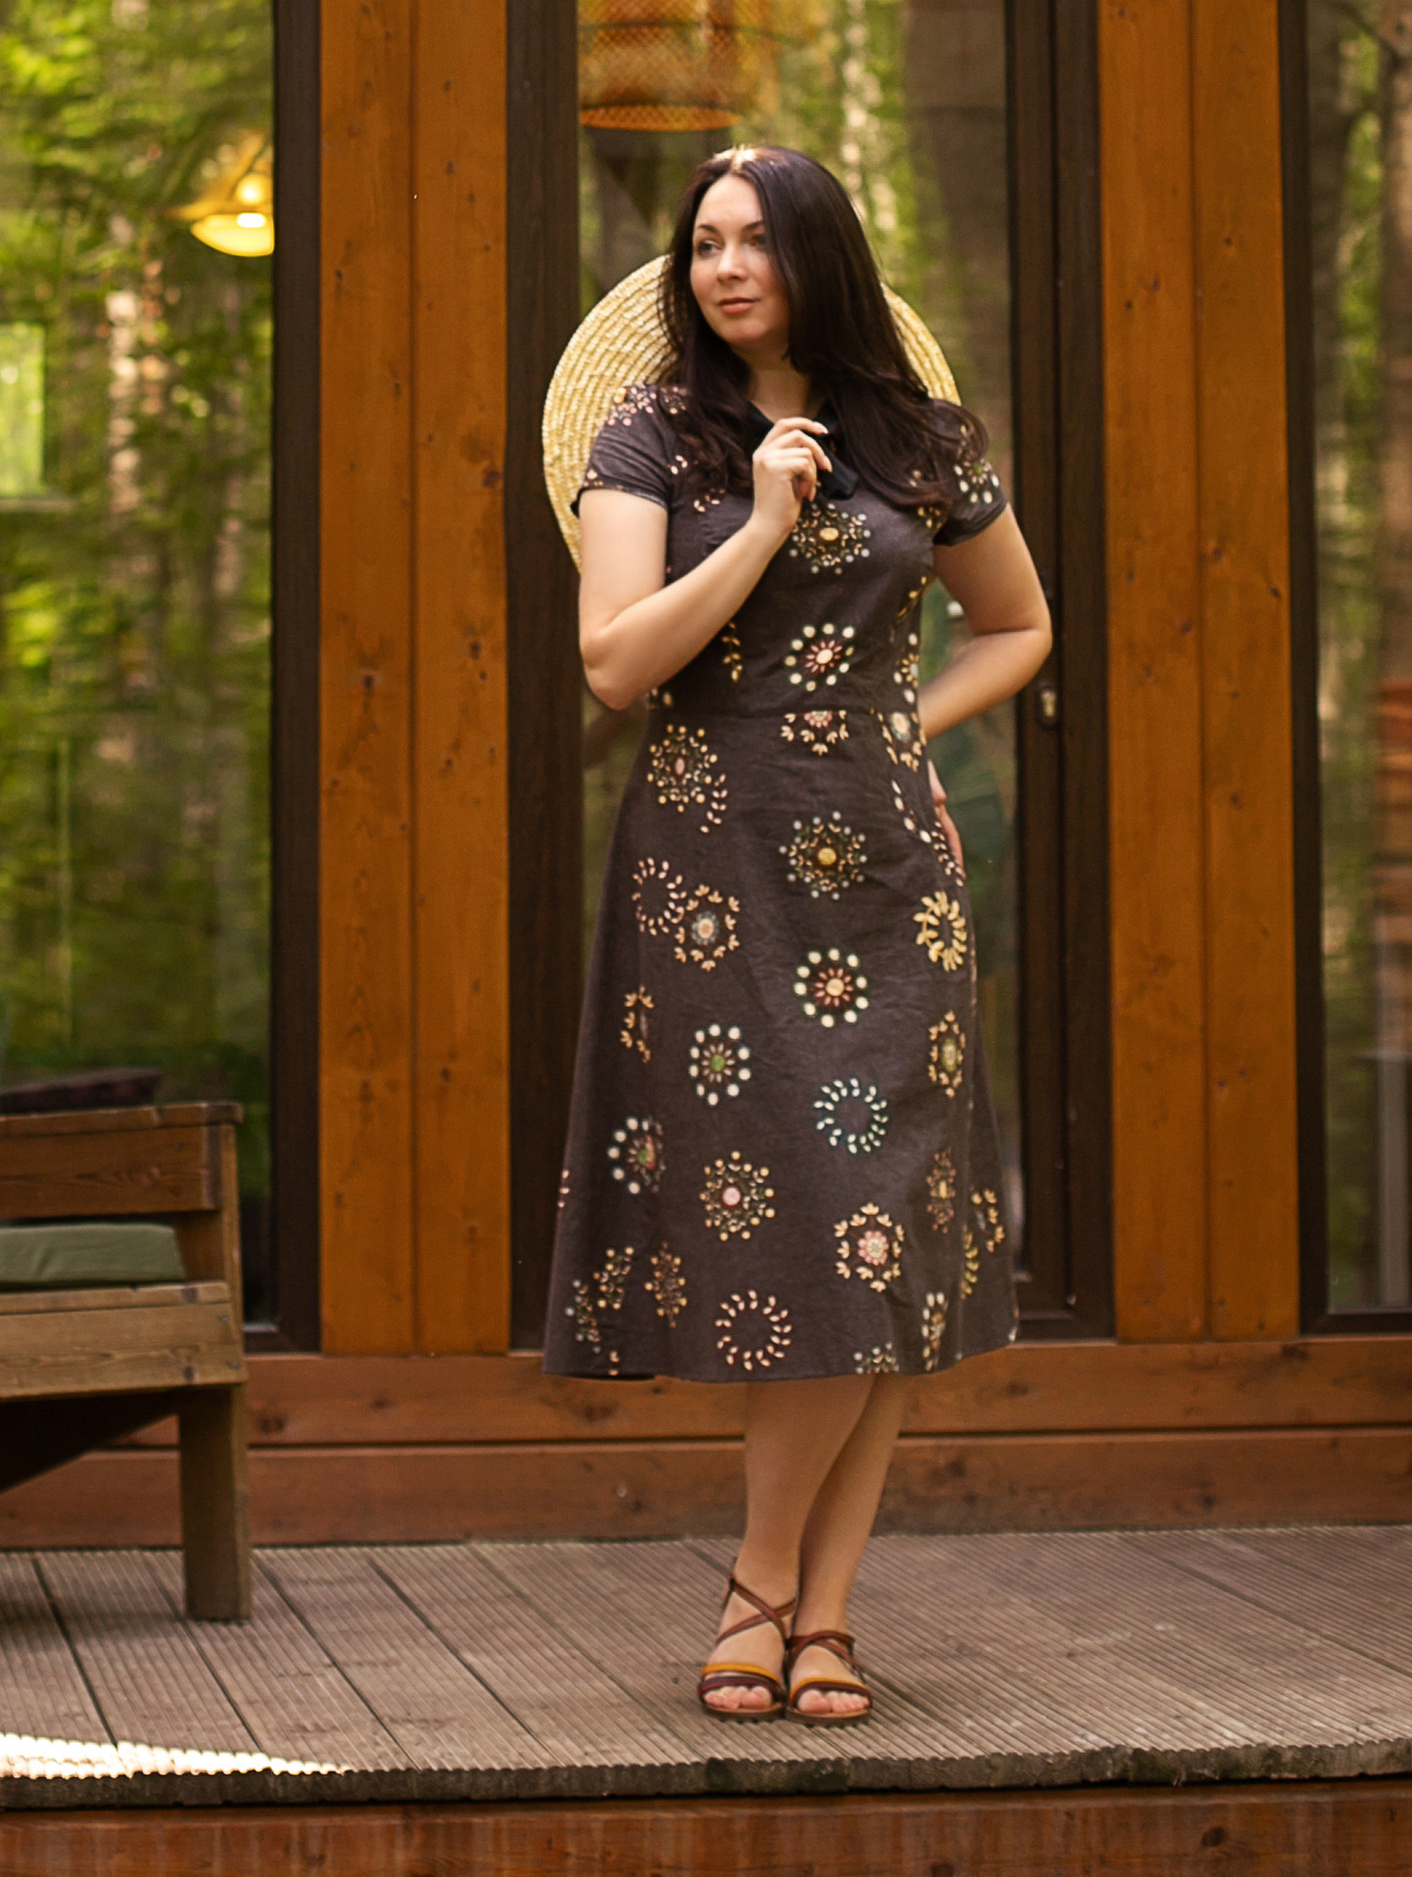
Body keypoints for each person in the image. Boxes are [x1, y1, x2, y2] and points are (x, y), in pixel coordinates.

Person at [542, 144, 1052, 1724]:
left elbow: (1020, 625)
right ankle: (774, 1590)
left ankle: (809, 1613)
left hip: (891, 885)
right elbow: (615, 664)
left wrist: (909, 732)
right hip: (717, 884)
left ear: (819, 255)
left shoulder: (923, 442)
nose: (726, 268)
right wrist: (761, 522)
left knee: (877, 1236)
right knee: (817, 1230)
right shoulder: (652, 437)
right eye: (704, 243)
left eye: (755, 240)